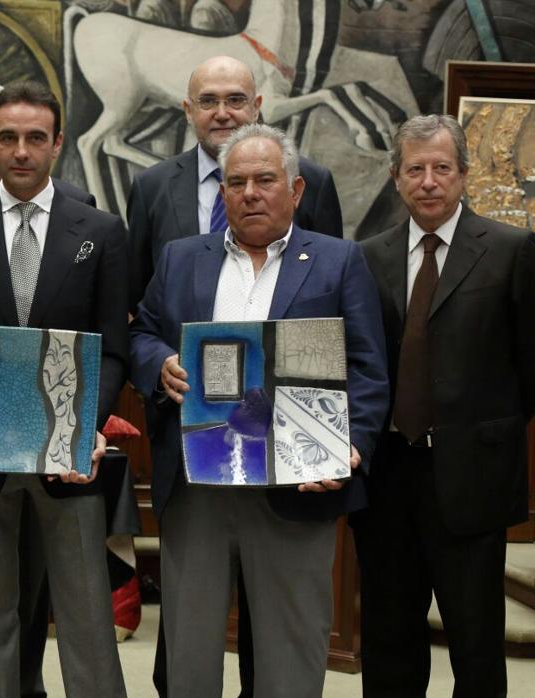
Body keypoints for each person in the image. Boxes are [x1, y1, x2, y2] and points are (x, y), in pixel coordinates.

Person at [129, 123, 388, 697]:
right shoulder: (179, 258)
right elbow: (143, 333)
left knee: (291, 651)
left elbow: (368, 369)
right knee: (189, 652)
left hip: (298, 485)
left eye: (265, 180)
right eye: (236, 181)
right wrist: (158, 364)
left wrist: (352, 445)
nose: (250, 192)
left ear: (295, 190)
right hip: (199, 486)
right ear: (221, 193)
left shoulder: (337, 261)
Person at [0, 80, 129, 698]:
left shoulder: (101, 229)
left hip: (69, 456)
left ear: (57, 143)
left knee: (87, 614)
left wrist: (84, 428)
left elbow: (111, 348)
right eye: (5, 136)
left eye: (35, 138)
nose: (19, 151)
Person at [353, 114, 535, 697]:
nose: (429, 181)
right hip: (387, 477)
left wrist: (487, 434)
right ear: (397, 177)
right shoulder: (368, 256)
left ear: (463, 174)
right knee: (389, 637)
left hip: (471, 477)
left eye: (441, 168)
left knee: (476, 643)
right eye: (416, 169)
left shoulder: (510, 250)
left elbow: (530, 366)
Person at [127, 55, 343, 313]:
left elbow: (331, 280)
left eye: (236, 100)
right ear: (188, 110)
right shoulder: (151, 187)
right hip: (181, 349)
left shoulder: (310, 181)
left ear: (256, 107)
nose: (222, 114)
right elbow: (136, 295)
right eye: (208, 101)